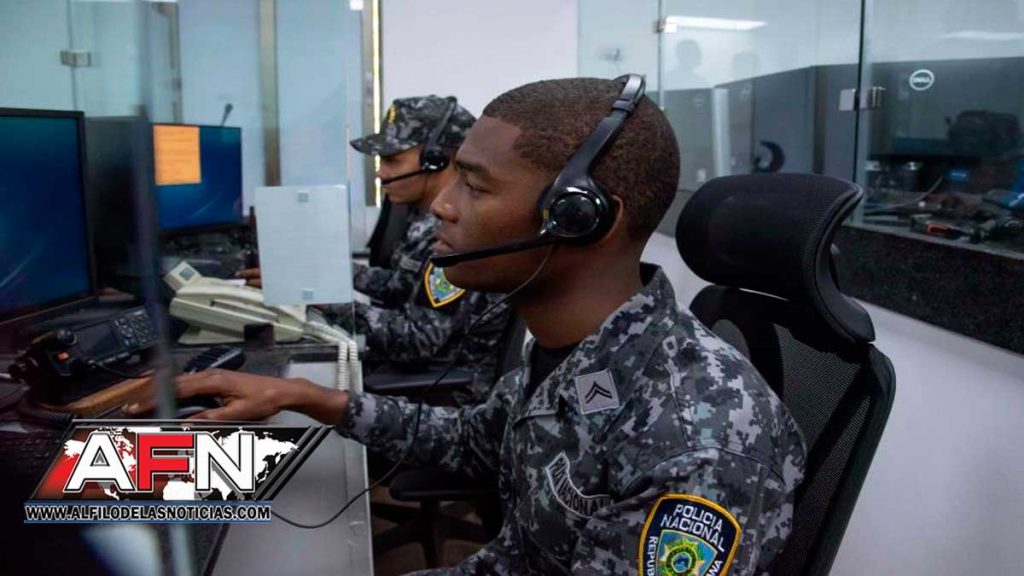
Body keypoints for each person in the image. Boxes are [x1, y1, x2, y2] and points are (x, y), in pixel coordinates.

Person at [127, 76, 805, 575]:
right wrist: (305, 397)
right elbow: (477, 441)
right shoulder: (578, 355)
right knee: (146, 497)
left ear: (580, 218)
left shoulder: (697, 448)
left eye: (474, 186)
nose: (441, 207)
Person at [241, 95, 510, 401]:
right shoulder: (424, 222)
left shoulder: (459, 231)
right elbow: (399, 286)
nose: (381, 173)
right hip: (414, 375)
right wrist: (321, 272)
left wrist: (325, 300)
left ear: (436, 160)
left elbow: (419, 340)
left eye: (392, 160)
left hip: (441, 396)